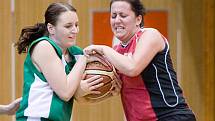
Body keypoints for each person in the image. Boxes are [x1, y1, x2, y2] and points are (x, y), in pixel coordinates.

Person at [84, 0, 196, 121]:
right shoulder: (116, 51)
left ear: (138, 19)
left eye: (123, 15)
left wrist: (103, 48)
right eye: (113, 16)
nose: (117, 20)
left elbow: (133, 68)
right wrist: (113, 88)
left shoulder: (150, 35)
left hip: (170, 115)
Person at [15, 2, 103, 121]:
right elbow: (65, 92)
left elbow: (78, 97)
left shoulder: (76, 54)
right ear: (51, 28)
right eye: (68, 26)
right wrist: (85, 59)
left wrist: (108, 89)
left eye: (76, 25)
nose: (75, 30)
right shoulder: (44, 47)